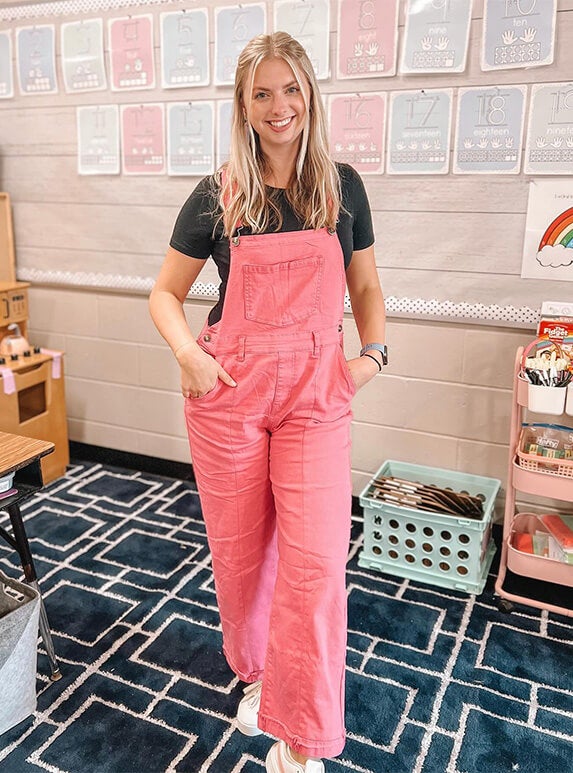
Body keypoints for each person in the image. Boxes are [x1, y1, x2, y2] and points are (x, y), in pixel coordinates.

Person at [149, 31, 386, 773]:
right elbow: (164, 294)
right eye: (261, 94)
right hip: (231, 395)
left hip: (317, 395)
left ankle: (301, 740)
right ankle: (258, 674)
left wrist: (371, 358)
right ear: (243, 106)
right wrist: (189, 355)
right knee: (243, 554)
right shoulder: (218, 194)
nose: (278, 106)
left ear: (308, 93)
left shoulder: (342, 187)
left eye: (290, 89)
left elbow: (366, 286)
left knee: (316, 563)